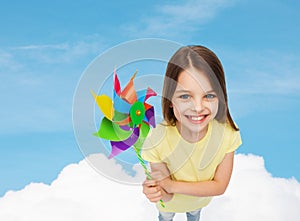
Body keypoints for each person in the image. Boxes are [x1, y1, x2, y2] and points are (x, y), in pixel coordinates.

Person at [141, 45, 242, 221]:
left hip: (200, 203)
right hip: (170, 206)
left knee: (194, 213)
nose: (197, 107)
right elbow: (168, 196)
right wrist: (157, 191)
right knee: (166, 215)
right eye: (185, 96)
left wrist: (170, 185)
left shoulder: (227, 135)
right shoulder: (156, 140)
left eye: (209, 96)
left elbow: (219, 187)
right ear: (169, 100)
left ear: (221, 97)